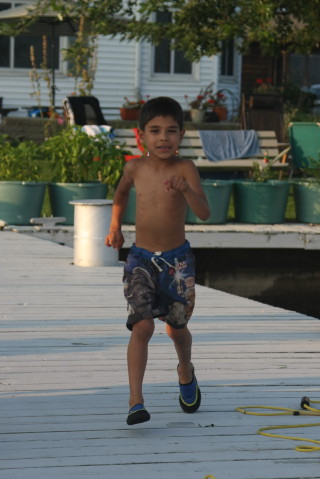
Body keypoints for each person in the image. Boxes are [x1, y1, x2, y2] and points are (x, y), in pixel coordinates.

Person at [104, 97, 210, 425]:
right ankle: (136, 399)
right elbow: (121, 193)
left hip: (177, 262)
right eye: (155, 131)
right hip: (141, 258)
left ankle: (185, 368)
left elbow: (205, 213)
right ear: (141, 136)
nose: (163, 138)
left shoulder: (185, 168)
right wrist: (114, 226)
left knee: (176, 329)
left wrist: (185, 191)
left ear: (182, 135)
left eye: (171, 131)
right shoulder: (134, 167)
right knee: (143, 325)